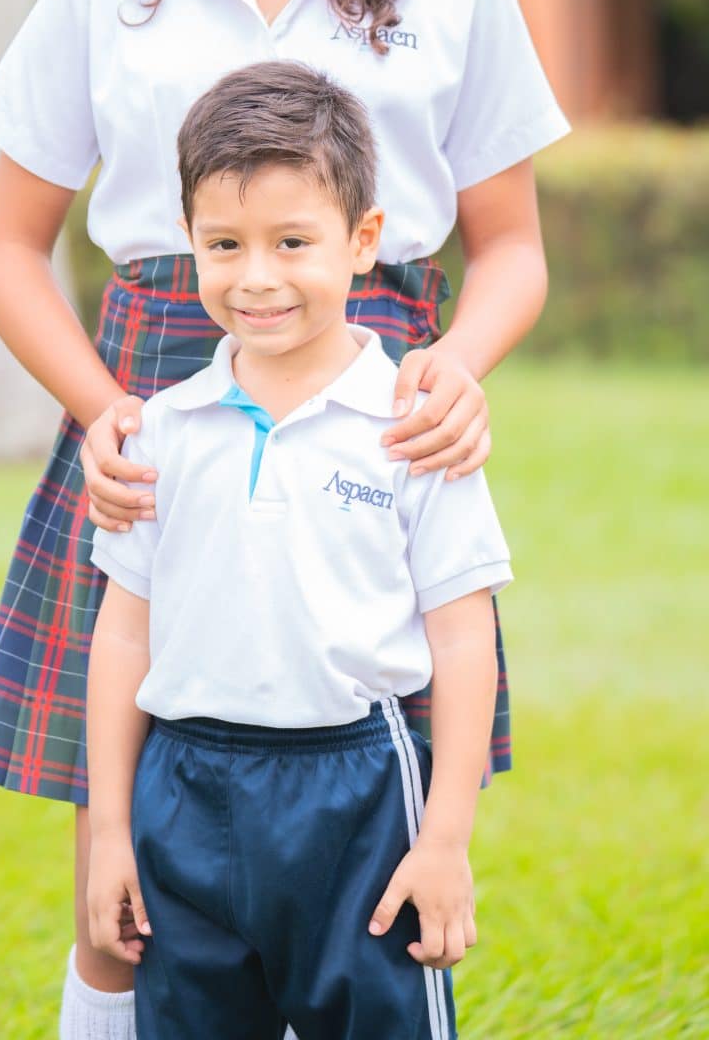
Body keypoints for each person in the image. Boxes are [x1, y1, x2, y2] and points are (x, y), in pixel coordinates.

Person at [0, 0, 568, 1040]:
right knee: (132, 883)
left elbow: (513, 249)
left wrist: (454, 370)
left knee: (360, 850)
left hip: (377, 397)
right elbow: (6, 249)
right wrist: (102, 409)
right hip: (154, 402)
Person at [86, 60, 513, 1040]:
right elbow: (122, 637)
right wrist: (111, 830)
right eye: (224, 244)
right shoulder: (160, 431)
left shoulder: (415, 428)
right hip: (182, 789)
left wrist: (444, 840)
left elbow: (463, 642)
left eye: (292, 241)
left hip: (356, 795)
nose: (257, 277)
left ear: (362, 241)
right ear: (188, 238)